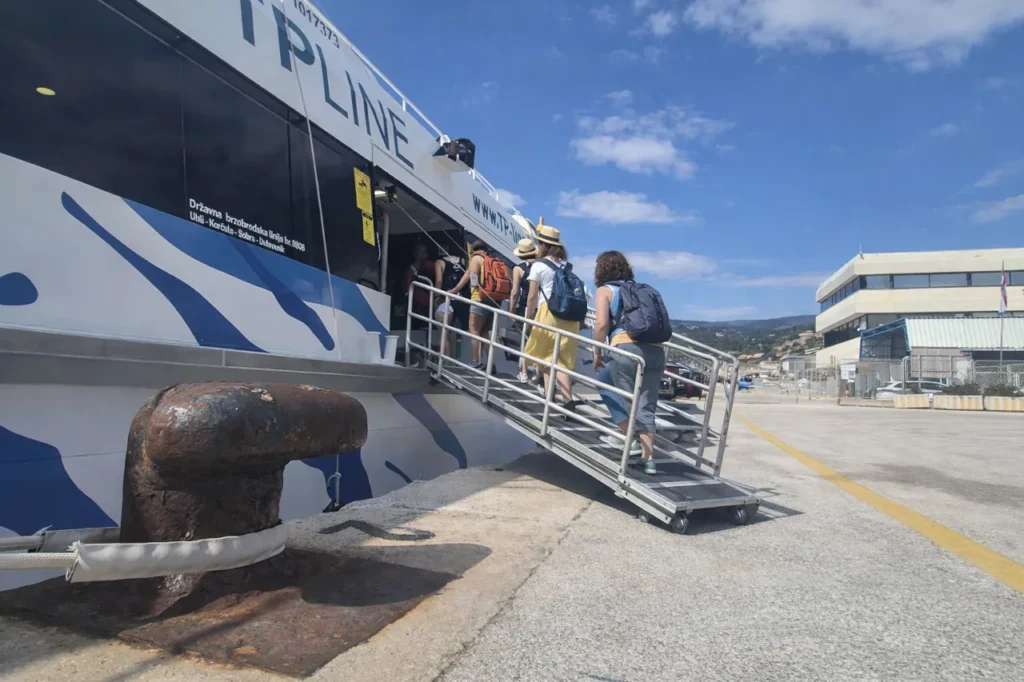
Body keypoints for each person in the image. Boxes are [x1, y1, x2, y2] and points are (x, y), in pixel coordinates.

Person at [591, 251, 667, 474]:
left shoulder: (605, 290)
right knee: (637, 400)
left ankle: (637, 446)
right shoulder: (642, 289)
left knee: (631, 403)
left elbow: (602, 324)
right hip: (655, 351)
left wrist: (596, 351)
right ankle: (643, 451)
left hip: (626, 350)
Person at [523, 223, 579, 408]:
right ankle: (568, 400)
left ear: (543, 245)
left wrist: (529, 318)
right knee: (562, 361)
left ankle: (548, 399)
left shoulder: (539, 265)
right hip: (569, 317)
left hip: (549, 313)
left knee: (547, 358)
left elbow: (532, 296)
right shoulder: (567, 266)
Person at [448, 239, 501, 370]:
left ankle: (475, 361)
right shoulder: (490, 259)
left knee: (474, 329)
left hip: (479, 298)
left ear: (472, 250)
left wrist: (471, 285)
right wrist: (455, 290)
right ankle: (490, 363)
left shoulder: (476, 259)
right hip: (494, 300)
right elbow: (466, 274)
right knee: (483, 332)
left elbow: (472, 279)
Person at [509, 238, 538, 381]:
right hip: (540, 308)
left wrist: (511, 310)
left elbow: (515, 291)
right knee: (538, 341)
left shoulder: (518, 268)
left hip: (524, 307)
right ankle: (538, 375)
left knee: (525, 341)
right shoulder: (541, 266)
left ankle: (524, 372)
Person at [435, 251, 468, 358]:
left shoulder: (439, 262)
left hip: (447, 301)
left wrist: (436, 295)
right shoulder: (464, 261)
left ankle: (446, 360)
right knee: (462, 334)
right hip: (462, 301)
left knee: (444, 334)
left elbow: (439, 281)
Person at [401, 242, 434, 327]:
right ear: (415, 253)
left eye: (425, 252)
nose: (423, 254)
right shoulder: (409, 271)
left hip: (431, 304)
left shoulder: (430, 266)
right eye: (420, 252)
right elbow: (406, 291)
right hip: (416, 306)